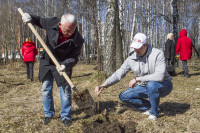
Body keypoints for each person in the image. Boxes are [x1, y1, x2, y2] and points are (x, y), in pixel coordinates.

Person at [22, 12, 84, 126]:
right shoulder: (52, 23)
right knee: (46, 88)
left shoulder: (78, 40)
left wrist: (65, 65)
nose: (70, 33)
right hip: (47, 61)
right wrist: (30, 17)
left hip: (63, 64)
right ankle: (48, 114)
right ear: (60, 24)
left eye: (72, 30)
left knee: (65, 91)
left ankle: (66, 116)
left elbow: (74, 58)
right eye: (67, 30)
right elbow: (39, 20)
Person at [95, 33, 173, 121]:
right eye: (134, 47)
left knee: (151, 85)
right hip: (144, 85)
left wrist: (138, 79)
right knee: (124, 96)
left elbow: (159, 76)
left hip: (163, 85)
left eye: (138, 47)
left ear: (146, 44)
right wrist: (105, 84)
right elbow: (119, 73)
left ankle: (154, 113)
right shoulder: (131, 58)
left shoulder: (157, 54)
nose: (136, 50)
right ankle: (152, 107)